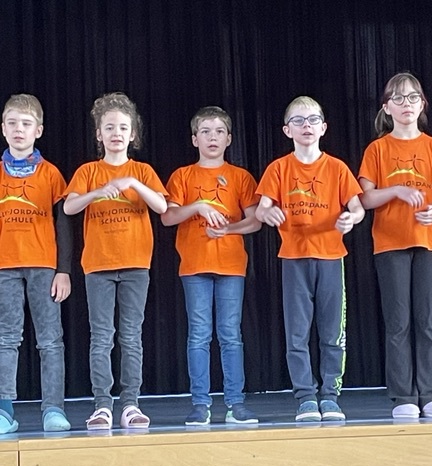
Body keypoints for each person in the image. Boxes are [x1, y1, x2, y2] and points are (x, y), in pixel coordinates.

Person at [255, 96, 364, 422]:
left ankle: (330, 396)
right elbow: (261, 208)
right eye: (299, 121)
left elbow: (357, 207)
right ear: (287, 130)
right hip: (294, 257)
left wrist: (351, 218)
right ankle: (305, 397)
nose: (307, 126)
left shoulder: (337, 168)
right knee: (297, 334)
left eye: (313, 120)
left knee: (332, 333)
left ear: (323, 127)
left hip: (330, 257)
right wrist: (268, 212)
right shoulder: (279, 168)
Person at [358, 72, 432, 419]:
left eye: (413, 97)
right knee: (398, 322)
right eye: (398, 98)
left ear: (422, 104)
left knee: (427, 321)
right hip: (390, 243)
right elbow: (365, 198)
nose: (406, 104)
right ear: (387, 107)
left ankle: (431, 393)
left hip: (431, 242)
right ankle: (403, 395)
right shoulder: (377, 149)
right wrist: (397, 191)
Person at [64, 92, 168, 430]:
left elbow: (162, 207)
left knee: (131, 336)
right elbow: (69, 207)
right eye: (109, 127)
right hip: (98, 265)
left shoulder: (142, 171)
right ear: (99, 134)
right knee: (101, 337)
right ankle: (102, 405)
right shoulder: (88, 171)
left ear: (132, 134)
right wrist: (97, 192)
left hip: (136, 263)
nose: (116, 133)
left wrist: (132, 182)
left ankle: (130, 404)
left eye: (123, 127)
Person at [161, 106, 261, 426]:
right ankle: (200, 403)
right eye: (205, 132)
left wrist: (229, 230)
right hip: (194, 264)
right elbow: (168, 217)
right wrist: (199, 206)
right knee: (199, 335)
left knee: (230, 334)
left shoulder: (240, 177)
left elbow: (255, 221)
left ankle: (235, 403)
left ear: (229, 138)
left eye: (219, 131)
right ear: (195, 139)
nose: (212, 137)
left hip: (231, 264)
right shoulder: (183, 176)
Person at [0, 94, 72, 434]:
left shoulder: (51, 174)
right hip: (4, 265)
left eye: (26, 124)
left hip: (43, 264)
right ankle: (3, 411)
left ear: (38, 130)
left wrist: (64, 270)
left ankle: (53, 409)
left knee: (50, 340)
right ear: (3, 128)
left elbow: (63, 223)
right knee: (6, 338)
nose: (19, 129)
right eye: (12, 123)